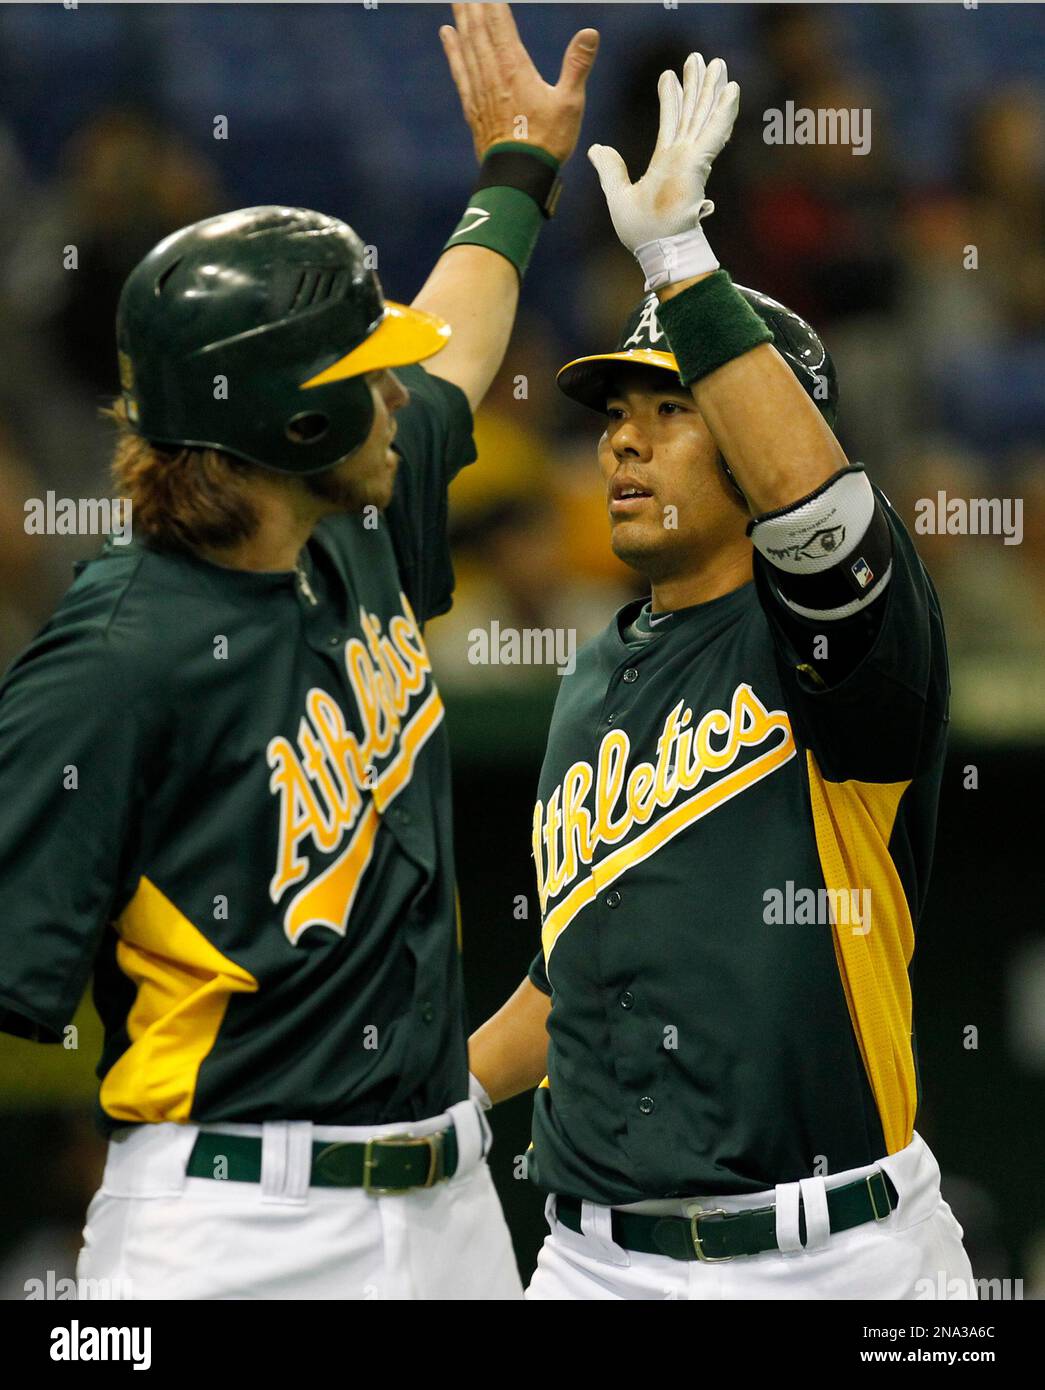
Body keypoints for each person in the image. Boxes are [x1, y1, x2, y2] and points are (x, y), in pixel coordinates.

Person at [0, 3, 598, 1300]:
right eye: (365, 369)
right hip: (236, 1228)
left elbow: (459, 326)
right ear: (291, 414)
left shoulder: (352, 518)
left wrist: (517, 174)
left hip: (449, 1200)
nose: (403, 386)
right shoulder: (111, 655)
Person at [469, 52, 975, 1301]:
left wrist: (682, 266)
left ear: (757, 422)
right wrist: (416, 1096)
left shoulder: (847, 631)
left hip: (841, 1256)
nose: (625, 437)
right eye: (613, 413)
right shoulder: (593, 672)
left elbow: (818, 514)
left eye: (673, 403)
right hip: (591, 1261)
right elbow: (570, 976)